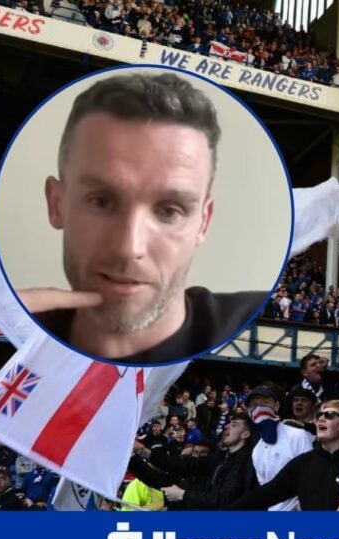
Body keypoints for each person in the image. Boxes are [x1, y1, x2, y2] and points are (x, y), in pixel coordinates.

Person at [27, 71, 269, 364]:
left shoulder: (252, 315)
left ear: (203, 222)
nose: (130, 248)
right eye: (101, 201)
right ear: (56, 204)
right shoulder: (19, 330)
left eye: (169, 211)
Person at [225, 400, 339, 511]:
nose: (321, 419)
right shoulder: (303, 463)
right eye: (319, 416)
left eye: (329, 415)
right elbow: (266, 494)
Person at [160, 416, 258, 509]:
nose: (227, 426)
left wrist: (182, 495)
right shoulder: (223, 457)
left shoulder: (243, 463)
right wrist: (150, 455)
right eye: (229, 424)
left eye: (234, 425)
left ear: (245, 434)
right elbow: (188, 465)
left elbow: (223, 499)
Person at [247, 384, 314, 511]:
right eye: (254, 405)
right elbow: (266, 489)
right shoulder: (257, 451)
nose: (260, 408)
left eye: (265, 402)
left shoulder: (297, 435)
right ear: (248, 411)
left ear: (276, 406)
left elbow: (310, 478)